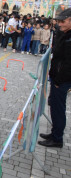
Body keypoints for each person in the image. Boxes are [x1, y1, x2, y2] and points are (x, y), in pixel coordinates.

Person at [38, 9, 71, 148]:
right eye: (58, 21)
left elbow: (69, 64)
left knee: (58, 109)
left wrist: (58, 80)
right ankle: (54, 133)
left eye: (63, 21)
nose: (60, 24)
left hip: (62, 80)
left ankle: (57, 139)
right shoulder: (63, 34)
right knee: (54, 106)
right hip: (57, 76)